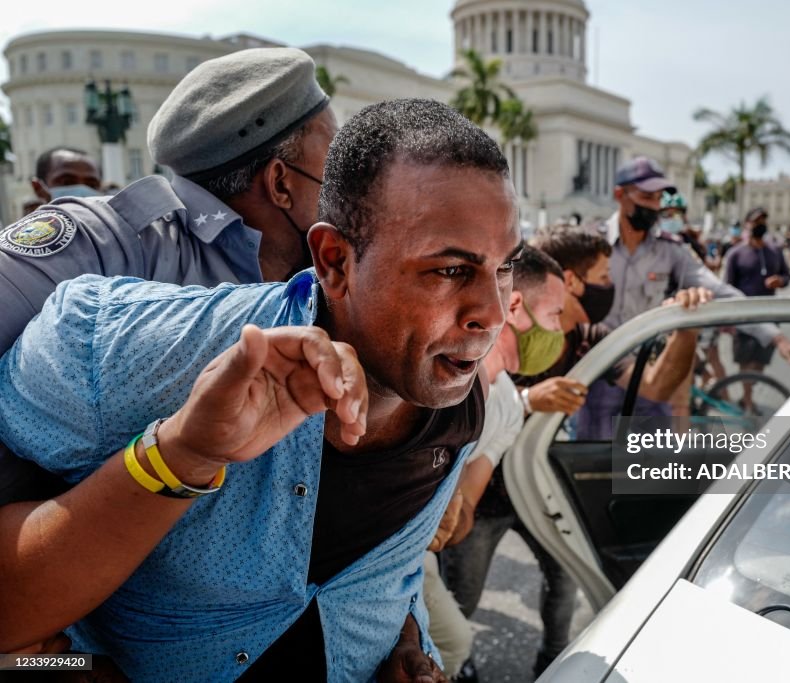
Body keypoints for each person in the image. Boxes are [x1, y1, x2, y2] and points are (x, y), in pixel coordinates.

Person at [0, 98, 521, 681]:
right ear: (335, 261)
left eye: (504, 268)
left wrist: (395, 639)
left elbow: (383, 570)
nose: (493, 313)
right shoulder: (137, 349)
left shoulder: (457, 400)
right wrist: (183, 455)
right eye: (449, 270)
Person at [0, 47, 339, 655]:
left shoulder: (320, 273)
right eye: (333, 165)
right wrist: (44, 654)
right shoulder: (104, 243)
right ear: (283, 182)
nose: (346, 190)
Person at [443, 230, 706, 680]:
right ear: (569, 280)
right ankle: (451, 659)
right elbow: (461, 394)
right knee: (458, 597)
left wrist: (688, 328)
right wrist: (529, 396)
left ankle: (554, 662)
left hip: (541, 487)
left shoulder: (586, 337)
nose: (610, 285)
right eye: (602, 274)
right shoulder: (490, 333)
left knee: (564, 580)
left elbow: (658, 385)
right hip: (482, 494)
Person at [426, 246, 565, 681]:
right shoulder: (440, 369)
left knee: (450, 642)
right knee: (450, 643)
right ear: (518, 307)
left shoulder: (505, 403)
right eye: (556, 314)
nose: (559, 331)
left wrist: (451, 513)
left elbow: (466, 502)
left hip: (414, 557)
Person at [600, 157, 790, 364]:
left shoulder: (671, 250)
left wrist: (774, 336)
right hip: (596, 371)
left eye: (658, 198)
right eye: (647, 197)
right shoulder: (591, 244)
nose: (655, 207)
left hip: (648, 373)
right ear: (620, 195)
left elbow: (721, 292)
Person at [721, 207, 790, 409]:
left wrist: (780, 280)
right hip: (744, 316)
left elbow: (787, 276)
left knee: (760, 361)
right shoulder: (736, 254)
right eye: (756, 221)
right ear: (747, 224)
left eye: (763, 221)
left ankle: (749, 391)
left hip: (769, 314)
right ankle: (748, 400)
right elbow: (727, 286)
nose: (760, 225)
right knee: (744, 360)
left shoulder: (774, 251)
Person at [30, 147, 103, 202]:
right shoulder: (29, 222)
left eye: (92, 185)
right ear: (38, 188)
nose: (81, 190)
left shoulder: (111, 221)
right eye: (67, 182)